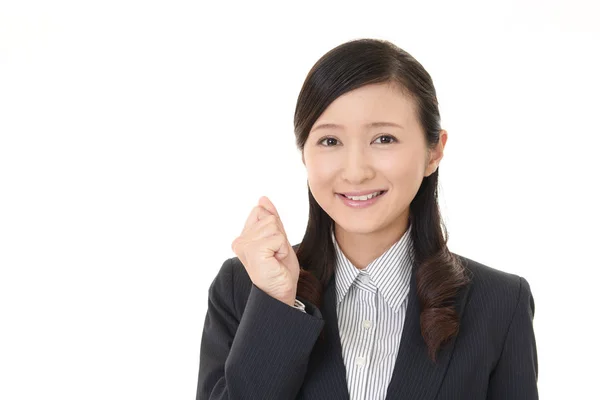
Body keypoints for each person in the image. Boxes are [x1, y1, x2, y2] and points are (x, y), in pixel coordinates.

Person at [195, 38, 538, 400]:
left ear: (434, 151)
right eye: (330, 141)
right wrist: (278, 304)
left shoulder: (500, 303)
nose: (355, 172)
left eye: (384, 138)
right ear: (304, 154)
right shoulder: (245, 289)